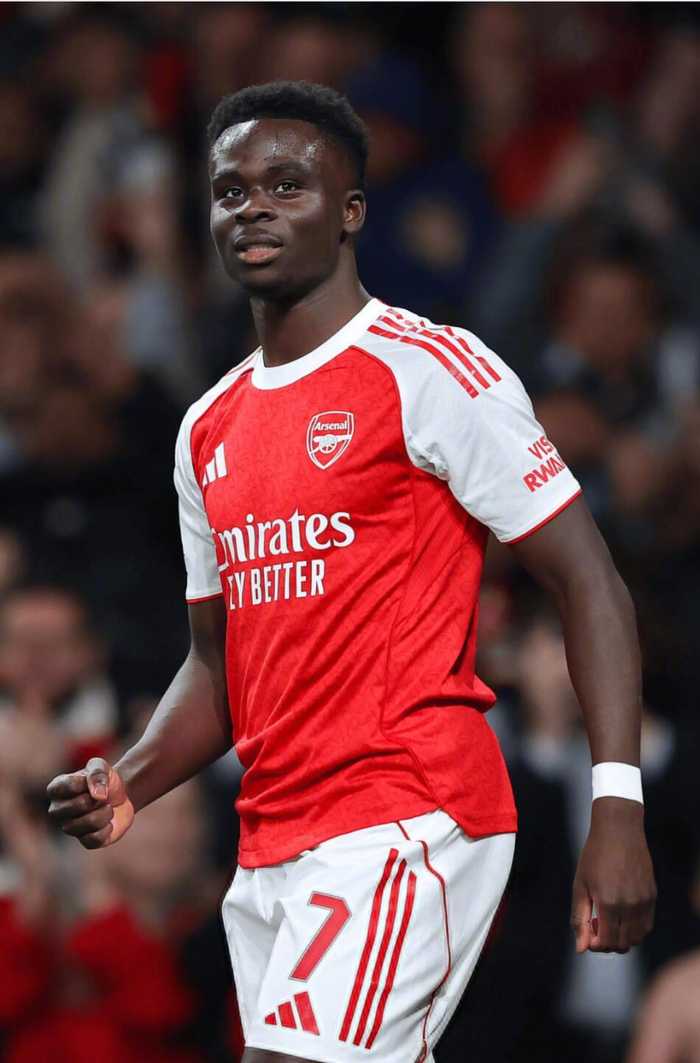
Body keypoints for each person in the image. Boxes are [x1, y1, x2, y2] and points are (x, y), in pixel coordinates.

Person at [47, 81, 656, 1063]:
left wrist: (616, 805)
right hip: (272, 837)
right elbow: (218, 663)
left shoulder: (431, 370)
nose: (252, 207)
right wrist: (129, 780)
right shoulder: (207, 428)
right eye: (230, 190)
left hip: (407, 813)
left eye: (286, 185)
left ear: (350, 213)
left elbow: (589, 579)